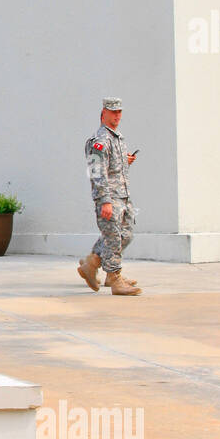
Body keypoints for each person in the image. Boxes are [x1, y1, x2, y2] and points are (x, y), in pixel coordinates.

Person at [77, 98, 141, 296]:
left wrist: (125, 161)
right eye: (113, 112)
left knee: (126, 235)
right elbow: (96, 171)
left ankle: (93, 262)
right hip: (109, 197)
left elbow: (111, 166)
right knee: (113, 237)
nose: (117, 116)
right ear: (103, 113)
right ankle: (114, 278)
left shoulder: (117, 138)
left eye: (119, 112)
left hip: (123, 195)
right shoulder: (100, 140)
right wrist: (105, 200)